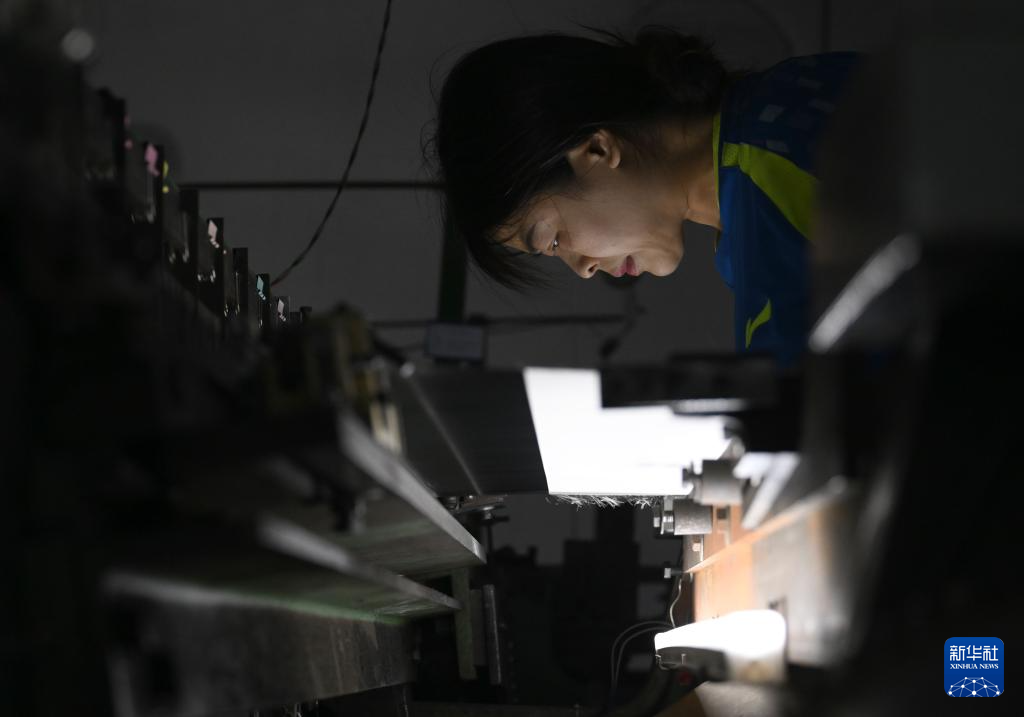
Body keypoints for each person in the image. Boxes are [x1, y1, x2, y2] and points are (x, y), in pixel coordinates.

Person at [431, 29, 860, 365]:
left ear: (596, 150)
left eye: (553, 240)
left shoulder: (778, 158)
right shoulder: (746, 205)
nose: (583, 269)